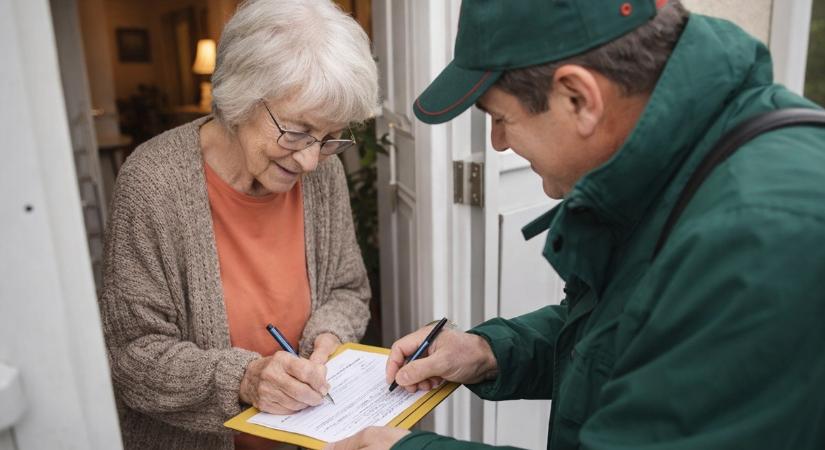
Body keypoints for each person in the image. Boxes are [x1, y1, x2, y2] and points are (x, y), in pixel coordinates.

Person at [328, 0, 825, 449]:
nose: (498, 143)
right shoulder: (680, 168)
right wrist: (487, 351)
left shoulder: (758, 239)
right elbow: (626, 337)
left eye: (501, 117)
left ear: (578, 99)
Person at [98, 0, 379, 449]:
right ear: (241, 95)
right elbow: (133, 354)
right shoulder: (152, 183)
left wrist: (328, 338)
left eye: (329, 139)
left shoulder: (325, 174)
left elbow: (348, 289)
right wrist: (244, 380)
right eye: (298, 131)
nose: (311, 160)